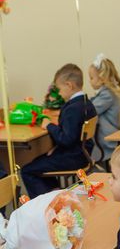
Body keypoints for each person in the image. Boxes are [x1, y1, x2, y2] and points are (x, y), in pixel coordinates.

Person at [21, 64, 97, 198]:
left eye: (60, 89)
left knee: (27, 170)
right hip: (82, 153)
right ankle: (55, 193)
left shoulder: (73, 108)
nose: (59, 93)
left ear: (69, 85)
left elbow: (66, 139)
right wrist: (55, 147)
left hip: (73, 157)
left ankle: (48, 202)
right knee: (39, 164)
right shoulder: (86, 102)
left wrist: (49, 125)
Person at [89, 53, 120, 162]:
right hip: (110, 133)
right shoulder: (107, 93)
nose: (90, 81)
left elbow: (91, 110)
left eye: (91, 78)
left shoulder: (107, 95)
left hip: (107, 139)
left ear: (102, 79)